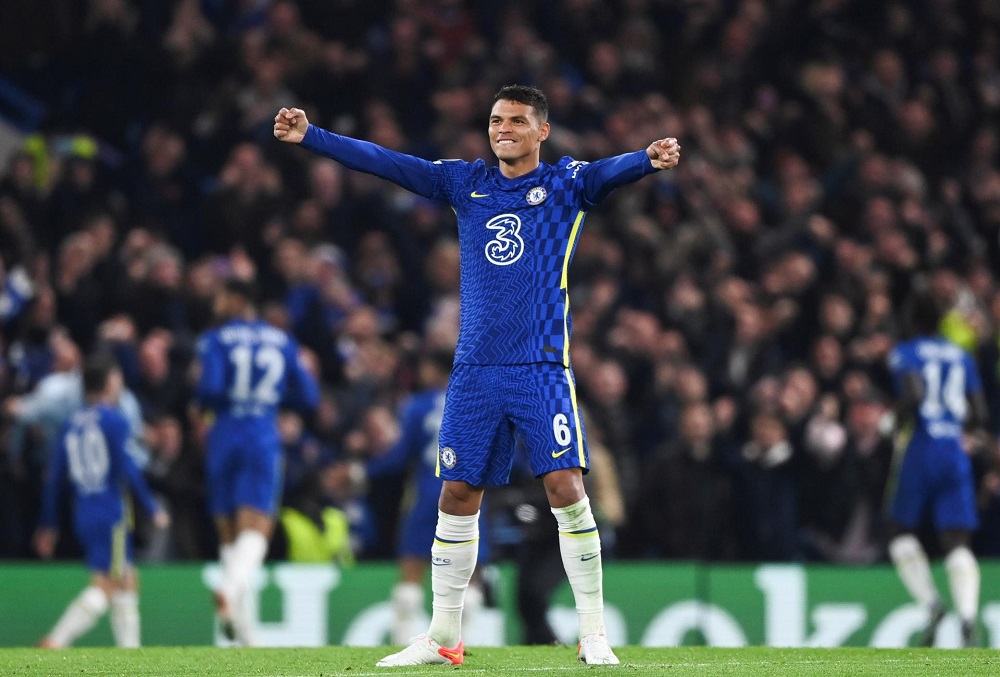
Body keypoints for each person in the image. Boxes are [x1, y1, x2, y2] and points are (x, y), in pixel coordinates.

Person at [274, 84, 681, 666]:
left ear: (542, 130)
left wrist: (646, 159)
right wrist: (312, 136)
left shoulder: (565, 185)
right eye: (495, 120)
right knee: (458, 494)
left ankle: (593, 632)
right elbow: (389, 163)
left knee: (566, 488)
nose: (502, 129)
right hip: (473, 372)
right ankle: (443, 637)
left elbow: (608, 174)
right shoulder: (466, 183)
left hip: (539, 367)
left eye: (516, 120)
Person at [194, 278, 320, 646]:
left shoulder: (216, 339)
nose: (216, 304)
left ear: (236, 299)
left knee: (229, 532)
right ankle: (231, 593)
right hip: (262, 435)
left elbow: (211, 389)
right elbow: (309, 395)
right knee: (258, 528)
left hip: (224, 435)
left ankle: (243, 631)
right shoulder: (282, 340)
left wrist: (202, 404)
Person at [34, 354, 169, 648]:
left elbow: (55, 479)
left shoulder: (70, 424)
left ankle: (129, 655)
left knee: (126, 579)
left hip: (84, 511)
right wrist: (150, 506)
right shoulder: (114, 420)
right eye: (117, 377)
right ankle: (56, 640)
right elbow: (126, 467)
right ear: (108, 382)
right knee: (109, 584)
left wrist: (48, 524)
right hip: (111, 512)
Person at [884, 290, 989, 647]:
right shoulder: (962, 356)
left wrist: (896, 422)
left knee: (899, 530)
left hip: (921, 445)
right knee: (957, 539)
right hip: (953, 448)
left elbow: (913, 396)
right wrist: (969, 435)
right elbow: (979, 412)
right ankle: (969, 619)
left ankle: (931, 605)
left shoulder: (905, 352)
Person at [363, 349, 489, 646]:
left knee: (411, 570)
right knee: (470, 572)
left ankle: (402, 641)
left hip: (425, 493)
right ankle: (461, 642)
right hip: (469, 491)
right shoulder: (477, 402)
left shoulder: (417, 406)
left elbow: (401, 454)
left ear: (434, 370)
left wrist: (366, 470)